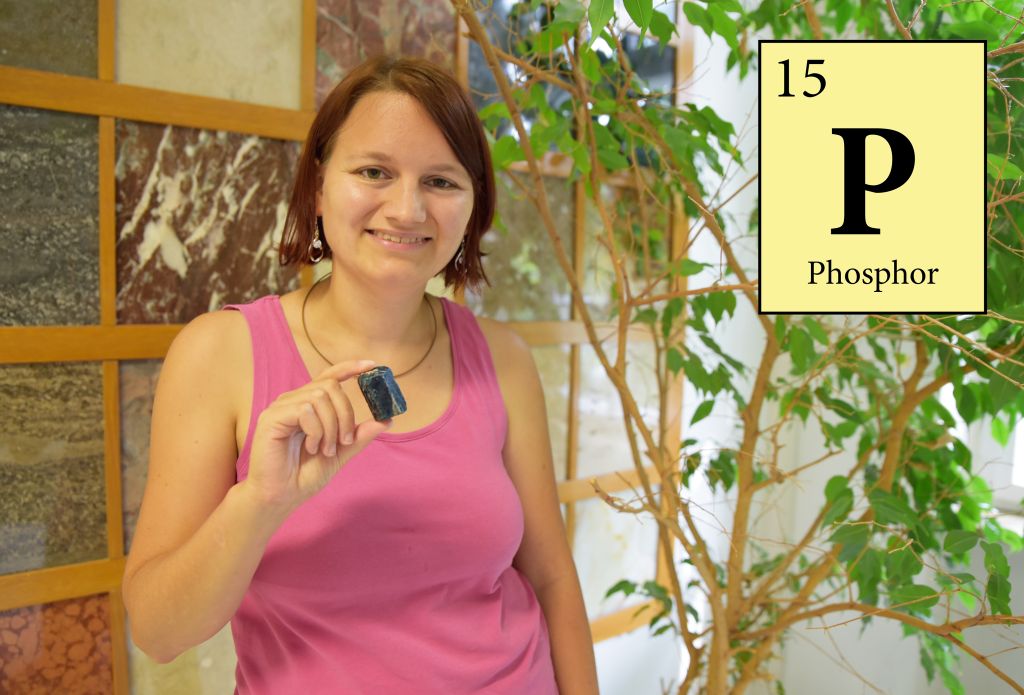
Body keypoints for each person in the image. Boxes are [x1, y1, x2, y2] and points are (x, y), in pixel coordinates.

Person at [121, 55, 600, 694]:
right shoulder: (220, 353)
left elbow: (551, 580)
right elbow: (159, 631)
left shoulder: (503, 357)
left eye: (441, 181)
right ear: (319, 186)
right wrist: (261, 502)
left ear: (472, 205)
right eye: (374, 171)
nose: (406, 209)